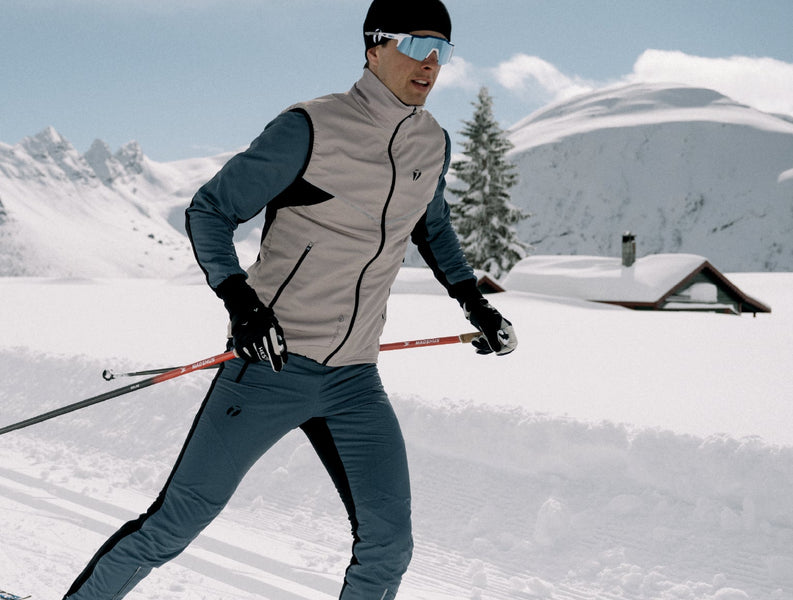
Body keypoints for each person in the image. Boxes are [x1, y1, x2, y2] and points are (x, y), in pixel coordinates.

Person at [62, 1, 516, 598]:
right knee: (175, 525)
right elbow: (210, 210)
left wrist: (473, 301)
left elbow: (431, 228)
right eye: (414, 44)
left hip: (355, 379)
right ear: (374, 47)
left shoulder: (431, 143)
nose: (430, 63)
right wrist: (241, 302)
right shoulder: (310, 127)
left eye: (442, 50)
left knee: (389, 543)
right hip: (270, 368)